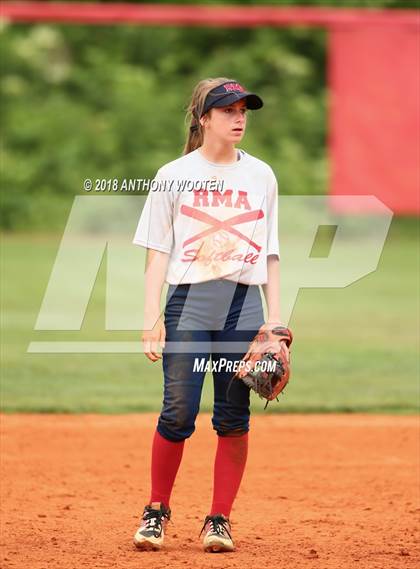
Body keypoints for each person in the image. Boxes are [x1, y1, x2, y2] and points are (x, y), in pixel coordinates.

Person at [132, 77, 286, 553]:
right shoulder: (172, 174)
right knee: (178, 411)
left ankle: (219, 519)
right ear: (204, 119)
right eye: (228, 110)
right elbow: (157, 252)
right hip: (189, 304)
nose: (239, 118)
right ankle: (156, 510)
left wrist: (276, 325)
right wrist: (150, 317)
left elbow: (271, 255)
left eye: (244, 110)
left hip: (242, 307)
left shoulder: (261, 175)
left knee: (233, 417)